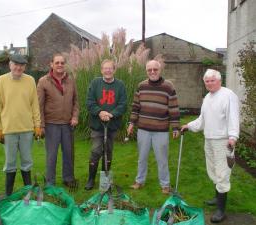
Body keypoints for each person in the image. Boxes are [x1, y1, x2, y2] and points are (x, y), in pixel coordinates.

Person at [181, 69, 239, 223]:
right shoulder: (207, 97)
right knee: (213, 170)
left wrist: (233, 137)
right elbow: (202, 120)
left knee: (222, 173)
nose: (209, 83)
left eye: (212, 80)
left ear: (219, 80)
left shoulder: (228, 95)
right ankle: (217, 197)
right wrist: (189, 125)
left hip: (224, 141)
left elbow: (233, 117)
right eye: (206, 81)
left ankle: (221, 210)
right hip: (209, 139)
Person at [127, 59, 180, 194]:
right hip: (143, 129)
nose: (152, 72)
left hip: (161, 130)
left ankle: (165, 184)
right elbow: (135, 107)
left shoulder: (168, 86)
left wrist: (175, 127)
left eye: (155, 69)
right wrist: (131, 123)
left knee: (162, 159)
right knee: (142, 158)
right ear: (146, 71)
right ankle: (139, 181)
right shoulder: (141, 86)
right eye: (149, 70)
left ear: (160, 70)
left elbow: (173, 108)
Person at [0, 54, 42, 196]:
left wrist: (37, 125)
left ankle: (28, 193)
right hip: (8, 130)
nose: (19, 67)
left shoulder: (30, 80)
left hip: (27, 129)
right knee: (10, 164)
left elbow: (35, 105)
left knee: (27, 162)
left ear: (25, 66)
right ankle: (8, 195)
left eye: (22, 65)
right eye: (16, 64)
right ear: (10, 65)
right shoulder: (1, 81)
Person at [84, 59, 127, 190]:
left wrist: (111, 114)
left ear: (114, 70)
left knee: (108, 152)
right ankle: (91, 179)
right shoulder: (95, 83)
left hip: (112, 125)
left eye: (110, 68)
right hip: (98, 125)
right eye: (105, 68)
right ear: (101, 70)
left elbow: (123, 104)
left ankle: (105, 181)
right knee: (96, 151)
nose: (108, 70)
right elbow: (90, 102)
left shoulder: (120, 85)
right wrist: (100, 112)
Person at [37, 54, 79, 187]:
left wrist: (75, 116)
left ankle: (68, 179)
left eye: (62, 63)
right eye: (57, 63)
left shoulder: (71, 80)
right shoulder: (43, 81)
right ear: (51, 64)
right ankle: (50, 182)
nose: (60, 65)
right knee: (52, 155)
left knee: (68, 153)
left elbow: (76, 102)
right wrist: (41, 125)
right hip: (51, 124)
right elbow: (39, 105)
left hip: (67, 124)